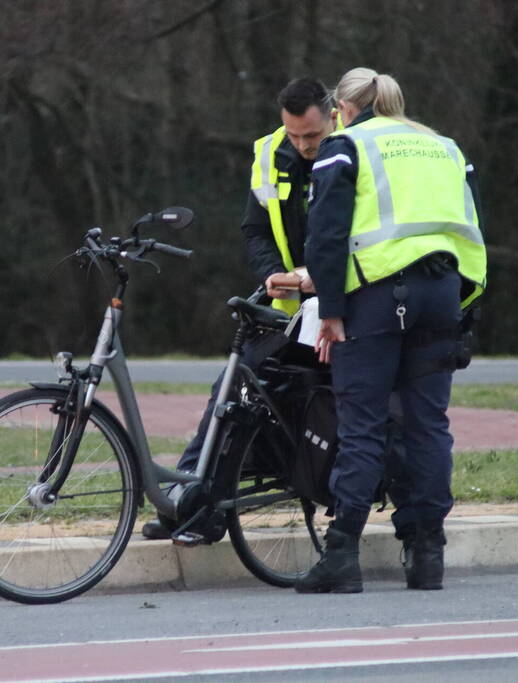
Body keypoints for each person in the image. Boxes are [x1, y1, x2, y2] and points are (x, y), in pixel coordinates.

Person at [296, 67, 487, 594]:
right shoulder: (445, 148)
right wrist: (464, 303)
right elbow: (471, 225)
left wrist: (330, 310)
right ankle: (428, 556)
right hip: (443, 294)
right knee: (427, 425)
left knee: (362, 424)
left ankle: (341, 556)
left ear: (344, 108)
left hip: (377, 299)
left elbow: (327, 235)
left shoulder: (346, 145)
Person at [140, 77, 338, 540]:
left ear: (333, 115)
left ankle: (204, 507)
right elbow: (255, 230)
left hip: (339, 308)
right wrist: (272, 273)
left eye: (313, 135)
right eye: (295, 136)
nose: (304, 146)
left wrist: (320, 278)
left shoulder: (355, 146)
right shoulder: (270, 153)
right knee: (230, 390)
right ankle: (190, 503)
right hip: (290, 310)